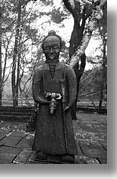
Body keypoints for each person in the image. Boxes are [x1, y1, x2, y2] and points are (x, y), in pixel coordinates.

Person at [32, 30, 77, 163]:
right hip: (45, 107)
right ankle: (42, 149)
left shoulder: (67, 70)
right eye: (48, 48)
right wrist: (45, 101)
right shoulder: (39, 71)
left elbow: (72, 89)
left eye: (55, 48)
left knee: (64, 128)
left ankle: (67, 151)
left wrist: (68, 103)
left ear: (60, 49)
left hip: (62, 106)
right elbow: (35, 93)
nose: (51, 51)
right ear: (43, 50)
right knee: (44, 126)